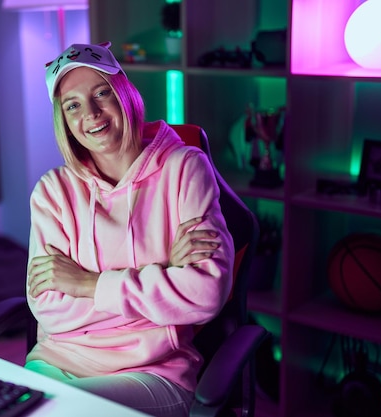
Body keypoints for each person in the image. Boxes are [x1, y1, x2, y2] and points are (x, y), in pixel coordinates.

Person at [25, 41, 234, 417]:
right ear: (64, 121)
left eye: (101, 93)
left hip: (153, 371)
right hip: (56, 362)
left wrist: (86, 284)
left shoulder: (185, 169)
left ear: (124, 93)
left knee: (56, 414)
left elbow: (206, 293)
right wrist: (167, 275)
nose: (90, 113)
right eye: (72, 105)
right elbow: (50, 308)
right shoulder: (52, 192)